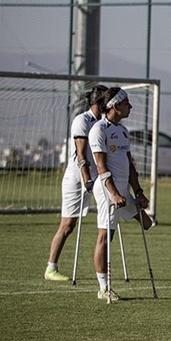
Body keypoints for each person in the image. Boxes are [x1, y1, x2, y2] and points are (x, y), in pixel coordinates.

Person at [89, 87, 153, 301]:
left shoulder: (123, 131)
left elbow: (129, 164)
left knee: (146, 222)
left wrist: (139, 191)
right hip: (108, 189)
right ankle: (103, 287)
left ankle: (104, 285)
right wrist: (114, 194)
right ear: (115, 106)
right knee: (106, 235)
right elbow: (100, 166)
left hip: (123, 191)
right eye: (127, 104)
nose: (131, 107)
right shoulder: (98, 130)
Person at [44, 85, 108, 281]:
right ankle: (51, 268)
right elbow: (81, 154)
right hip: (77, 179)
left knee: (108, 218)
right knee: (67, 225)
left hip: (97, 177)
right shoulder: (82, 121)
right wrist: (87, 178)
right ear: (99, 103)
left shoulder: (104, 123)